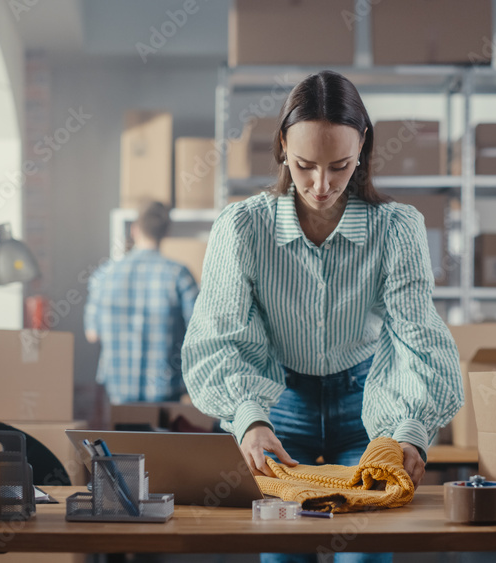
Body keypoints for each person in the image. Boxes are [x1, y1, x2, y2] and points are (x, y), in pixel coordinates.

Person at [182, 71, 463, 563]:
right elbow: (217, 337)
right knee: (284, 548)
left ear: (363, 152)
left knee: (366, 548)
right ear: (282, 148)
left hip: (370, 405)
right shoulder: (242, 227)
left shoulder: (397, 229)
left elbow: (418, 337)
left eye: (340, 166)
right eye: (305, 164)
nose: (321, 185)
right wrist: (248, 420)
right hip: (279, 403)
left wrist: (412, 430)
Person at [85, 201, 199, 404]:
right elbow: (199, 331)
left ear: (134, 230)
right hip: (165, 396)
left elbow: (92, 334)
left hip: (116, 395)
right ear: (166, 232)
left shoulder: (104, 274)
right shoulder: (178, 274)